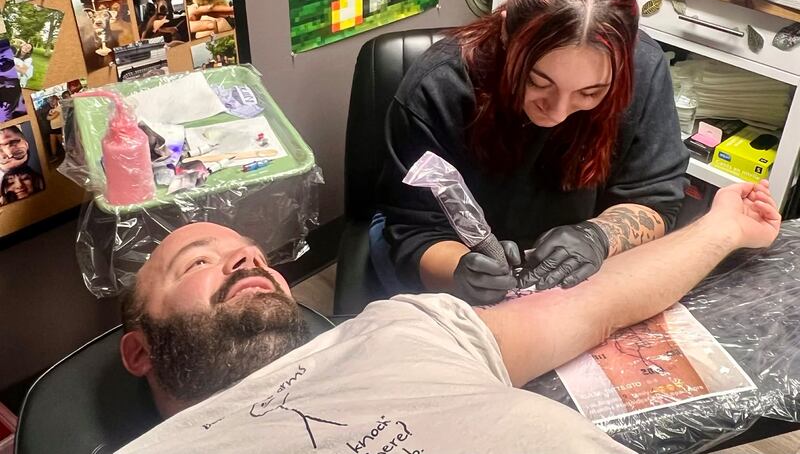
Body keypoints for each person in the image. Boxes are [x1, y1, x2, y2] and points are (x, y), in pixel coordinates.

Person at [116, 181, 780, 453]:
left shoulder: (402, 326)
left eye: (255, 255)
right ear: (139, 351)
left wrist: (724, 225)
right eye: (198, 262)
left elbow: (597, 303)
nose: (247, 261)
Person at [373, 0, 689, 305]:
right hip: (449, 257)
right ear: (507, 31)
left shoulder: (643, 70)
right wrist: (461, 271)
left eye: (590, 93)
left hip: (569, 277)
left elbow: (656, 200)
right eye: (538, 82)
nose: (556, 112)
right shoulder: (439, 86)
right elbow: (415, 229)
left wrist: (597, 237)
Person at [45, 94, 64, 160]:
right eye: (51, 101)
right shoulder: (52, 110)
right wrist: (49, 116)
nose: (52, 102)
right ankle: (54, 156)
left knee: (62, 141)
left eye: (53, 100)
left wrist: (50, 116)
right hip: (53, 128)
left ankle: (69, 154)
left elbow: (52, 117)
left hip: (58, 127)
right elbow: (47, 117)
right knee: (52, 142)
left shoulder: (59, 108)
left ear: (57, 100)